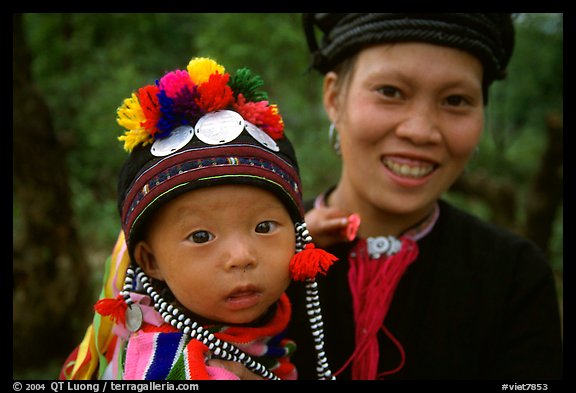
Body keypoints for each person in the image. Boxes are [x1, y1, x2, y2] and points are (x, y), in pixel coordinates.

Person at [285, 13, 563, 380]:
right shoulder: (247, 256)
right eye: (390, 92)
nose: (420, 131)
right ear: (334, 98)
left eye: (456, 100)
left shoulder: (515, 277)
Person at [59, 56, 338, 380]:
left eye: (264, 227)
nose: (241, 257)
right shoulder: (167, 367)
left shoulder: (241, 327)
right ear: (151, 262)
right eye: (201, 237)